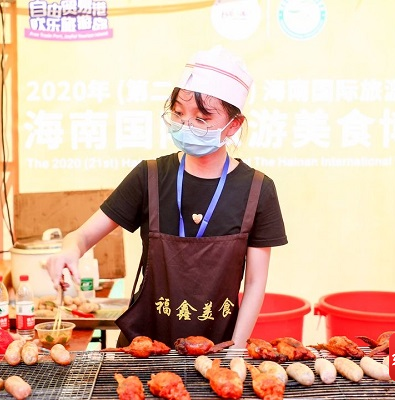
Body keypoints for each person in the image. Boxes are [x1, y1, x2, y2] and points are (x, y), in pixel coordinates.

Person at [45, 46, 287, 349]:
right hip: (143, 349)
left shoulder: (257, 190)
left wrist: (235, 349)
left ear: (233, 126)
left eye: (202, 118)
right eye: (178, 113)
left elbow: (254, 283)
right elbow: (81, 237)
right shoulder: (149, 176)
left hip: (216, 351)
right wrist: (69, 250)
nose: (186, 125)